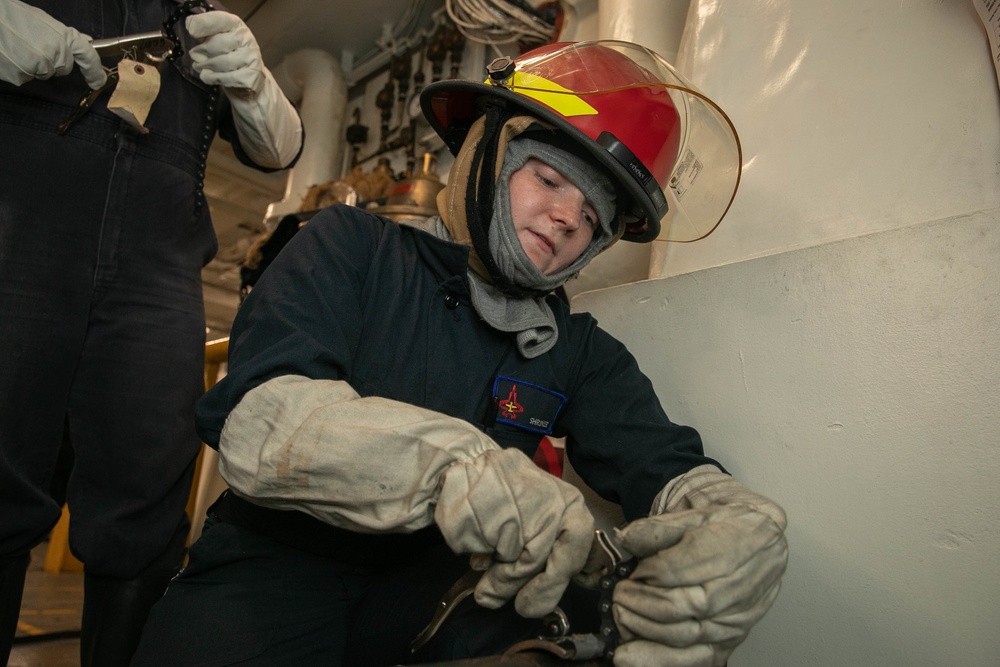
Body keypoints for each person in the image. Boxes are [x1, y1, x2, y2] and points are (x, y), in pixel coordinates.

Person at [132, 40, 787, 667]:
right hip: (269, 571)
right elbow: (260, 421)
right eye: (552, 178)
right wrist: (449, 466)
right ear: (486, 154)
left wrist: (738, 528)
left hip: (447, 599)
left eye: (592, 217)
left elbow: (665, 465)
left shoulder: (577, 347)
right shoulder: (353, 247)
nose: (567, 218)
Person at [0, 0, 303, 664]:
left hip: (158, 267)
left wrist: (254, 83)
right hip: (18, 232)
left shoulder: (194, 22)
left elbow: (277, 147)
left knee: (145, 501)